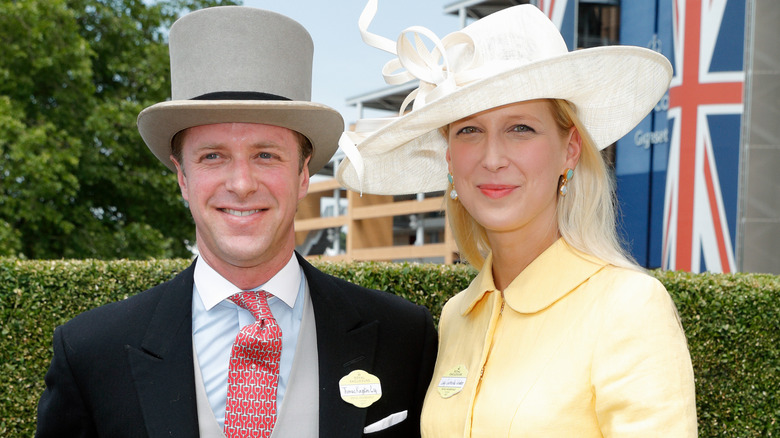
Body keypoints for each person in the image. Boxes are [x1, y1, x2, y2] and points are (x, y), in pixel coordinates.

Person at [35, 6, 437, 438]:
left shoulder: (403, 338)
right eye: (213, 156)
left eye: (266, 155)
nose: (242, 184)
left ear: (303, 175)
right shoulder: (92, 352)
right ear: (182, 178)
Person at [337, 2, 697, 436]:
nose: (492, 159)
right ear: (449, 157)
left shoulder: (628, 307)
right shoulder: (458, 315)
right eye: (469, 130)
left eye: (520, 128)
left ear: (570, 149)